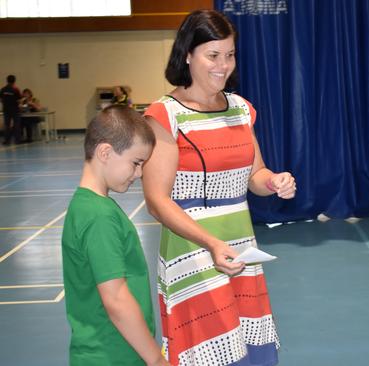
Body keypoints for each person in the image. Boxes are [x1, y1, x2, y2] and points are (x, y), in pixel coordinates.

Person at [142, 10, 296, 366]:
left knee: (252, 353)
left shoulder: (241, 109)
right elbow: (156, 201)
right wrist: (211, 243)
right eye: (213, 55)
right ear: (187, 54)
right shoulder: (165, 115)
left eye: (230, 55)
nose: (223, 65)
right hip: (193, 253)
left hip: (240, 252)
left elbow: (255, 177)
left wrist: (274, 182)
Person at [61, 105, 169, 366]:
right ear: (105, 152)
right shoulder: (99, 215)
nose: (140, 173)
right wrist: (155, 358)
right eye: (136, 163)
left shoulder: (88, 206)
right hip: (113, 355)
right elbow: (116, 299)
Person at [1, 74, 22, 145]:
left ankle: (7, 141)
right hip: (15, 110)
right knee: (16, 125)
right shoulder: (16, 89)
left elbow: (1, 99)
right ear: (14, 81)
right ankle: (17, 141)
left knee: (7, 125)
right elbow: (19, 100)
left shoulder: (3, 89)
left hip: (6, 109)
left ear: (7, 81)